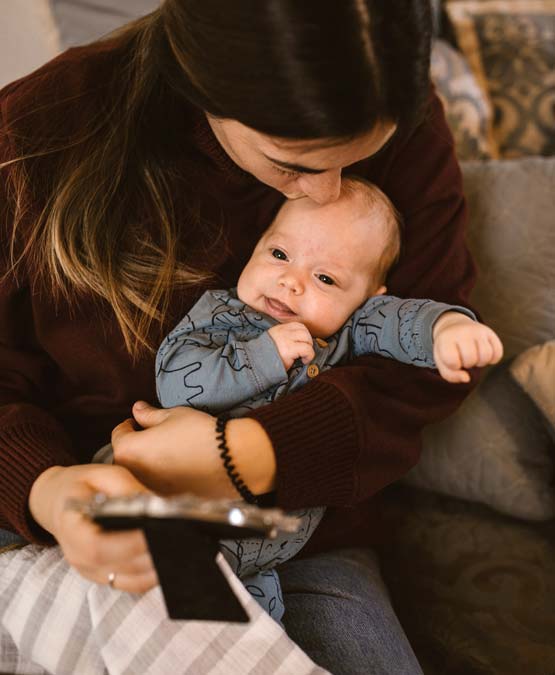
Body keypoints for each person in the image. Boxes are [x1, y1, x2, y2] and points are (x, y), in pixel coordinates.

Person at [0, 2, 481, 673]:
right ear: (200, 82)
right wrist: (46, 489)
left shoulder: (397, 106)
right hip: (74, 509)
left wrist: (247, 454)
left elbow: (429, 351)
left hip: (290, 539)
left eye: (357, 160)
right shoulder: (36, 129)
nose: (325, 194)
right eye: (292, 161)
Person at [154, 176, 502, 622]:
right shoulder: (221, 316)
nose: (290, 281)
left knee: (249, 643)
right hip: (174, 505)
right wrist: (264, 355)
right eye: (279, 254)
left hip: (264, 554)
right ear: (256, 246)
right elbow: (176, 383)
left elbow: (401, 319)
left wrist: (447, 329)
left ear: (364, 300)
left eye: (325, 278)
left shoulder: (350, 332)